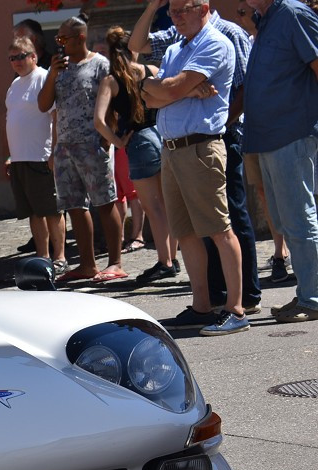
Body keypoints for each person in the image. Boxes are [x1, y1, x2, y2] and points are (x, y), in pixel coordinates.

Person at [131, 0, 262, 314]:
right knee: (186, 232)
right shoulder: (177, 47)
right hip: (173, 147)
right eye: (172, 11)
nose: (175, 17)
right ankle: (202, 304)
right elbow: (147, 94)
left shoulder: (219, 39)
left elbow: (171, 89)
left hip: (205, 143)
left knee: (221, 225)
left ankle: (237, 306)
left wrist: (171, 90)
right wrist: (174, 89)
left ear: (203, 8)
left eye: (182, 10)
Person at [241, 0, 318, 323]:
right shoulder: (267, 19)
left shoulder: (292, 13)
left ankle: (313, 298)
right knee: (288, 221)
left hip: (292, 132)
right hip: (269, 137)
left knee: (300, 219)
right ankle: (307, 292)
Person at [37, 16, 126, 283]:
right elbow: (44, 106)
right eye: (58, 39)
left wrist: (108, 137)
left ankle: (115, 262)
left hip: (92, 144)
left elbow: (115, 101)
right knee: (74, 205)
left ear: (81, 38)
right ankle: (87, 265)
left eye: (64, 39)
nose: (60, 44)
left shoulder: (100, 64)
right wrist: (52, 74)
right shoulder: (58, 68)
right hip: (65, 147)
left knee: (104, 202)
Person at [94, 26, 179, 284]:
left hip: (138, 141)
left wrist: (118, 141)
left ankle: (164, 262)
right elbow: (170, 99)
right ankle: (172, 258)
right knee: (167, 204)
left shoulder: (111, 80)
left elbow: (98, 121)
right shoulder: (151, 71)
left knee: (152, 207)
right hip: (161, 136)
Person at [5, 37, 67, 274]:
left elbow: (55, 117)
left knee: (51, 210)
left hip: (41, 156)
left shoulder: (43, 77)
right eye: (13, 58)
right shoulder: (14, 85)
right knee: (32, 211)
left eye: (22, 56)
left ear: (34, 56)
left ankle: (60, 257)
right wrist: (11, 155)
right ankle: (43, 256)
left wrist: (54, 151)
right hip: (20, 157)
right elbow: (11, 120)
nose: (17, 62)